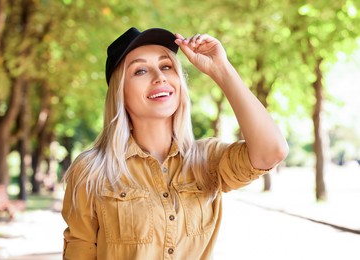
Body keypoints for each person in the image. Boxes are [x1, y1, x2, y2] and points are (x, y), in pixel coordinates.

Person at [61, 27, 288, 260]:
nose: (159, 77)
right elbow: (80, 251)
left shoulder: (207, 160)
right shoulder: (91, 171)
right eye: (140, 71)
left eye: (166, 66)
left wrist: (221, 70)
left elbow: (272, 152)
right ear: (121, 93)